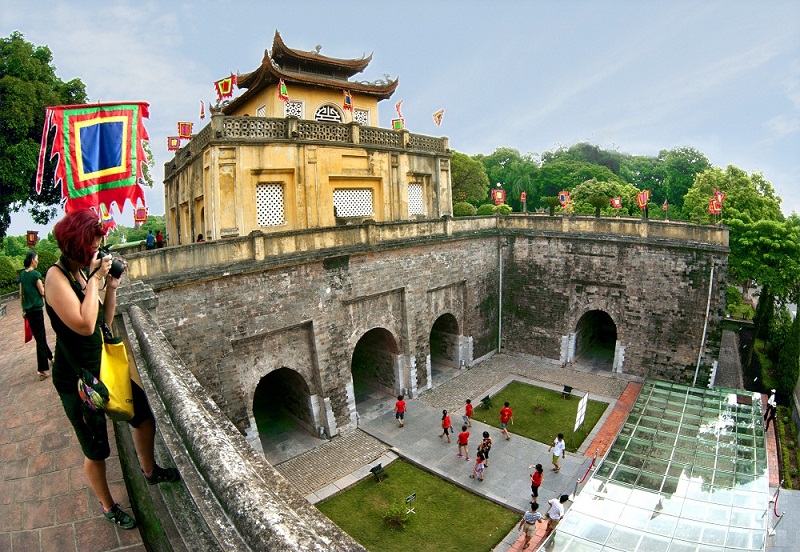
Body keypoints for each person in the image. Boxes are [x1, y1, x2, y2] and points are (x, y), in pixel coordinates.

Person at [44, 209, 180, 530]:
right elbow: (82, 323)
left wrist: (112, 287)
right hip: (80, 379)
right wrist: (94, 279)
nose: (97, 251)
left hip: (103, 362)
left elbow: (102, 324)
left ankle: (149, 471)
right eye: (93, 245)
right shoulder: (56, 277)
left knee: (143, 414)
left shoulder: (80, 272)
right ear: (77, 245)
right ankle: (108, 505)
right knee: (97, 449)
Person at [20, 249, 53, 380]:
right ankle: (42, 370)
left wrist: (23, 309)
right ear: (33, 260)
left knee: (40, 337)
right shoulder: (35, 274)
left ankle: (51, 357)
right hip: (36, 310)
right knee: (40, 338)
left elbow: (21, 294)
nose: (38, 261)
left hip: (28, 310)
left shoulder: (22, 275)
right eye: (37, 258)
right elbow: (43, 292)